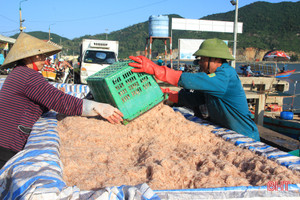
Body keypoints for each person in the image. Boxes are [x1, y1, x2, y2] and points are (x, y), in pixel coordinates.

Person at [0, 32, 123, 168]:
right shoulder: (28, 76)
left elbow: (38, 102)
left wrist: (53, 98)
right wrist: (98, 108)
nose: (44, 60)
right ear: (33, 57)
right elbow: (61, 102)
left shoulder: (19, 73)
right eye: (42, 56)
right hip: (7, 144)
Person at [128, 38, 260, 141]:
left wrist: (157, 70)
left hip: (245, 136)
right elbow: (195, 98)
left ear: (214, 59)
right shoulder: (211, 79)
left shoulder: (225, 76)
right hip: (227, 132)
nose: (200, 63)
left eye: (202, 59)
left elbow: (192, 80)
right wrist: (166, 94)